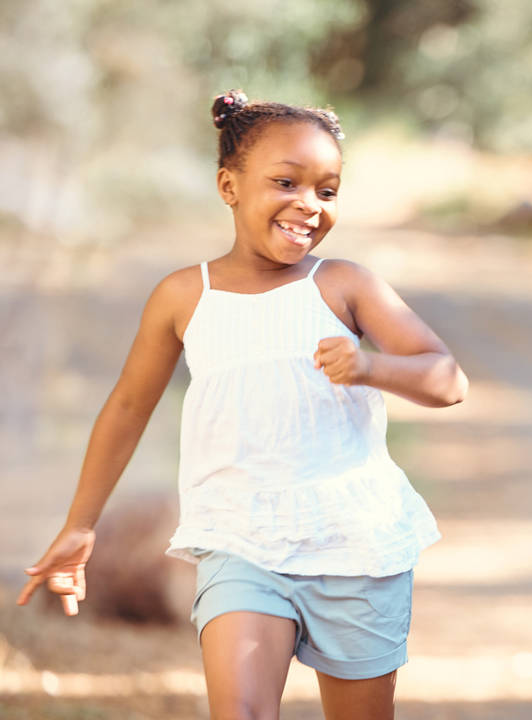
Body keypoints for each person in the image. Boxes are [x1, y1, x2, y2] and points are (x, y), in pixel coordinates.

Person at [16, 90, 469, 719]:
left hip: (354, 542)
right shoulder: (183, 295)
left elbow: (447, 379)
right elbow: (126, 408)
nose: (308, 204)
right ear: (229, 185)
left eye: (327, 190)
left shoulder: (343, 285)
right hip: (240, 538)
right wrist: (81, 524)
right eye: (286, 182)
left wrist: (371, 365)